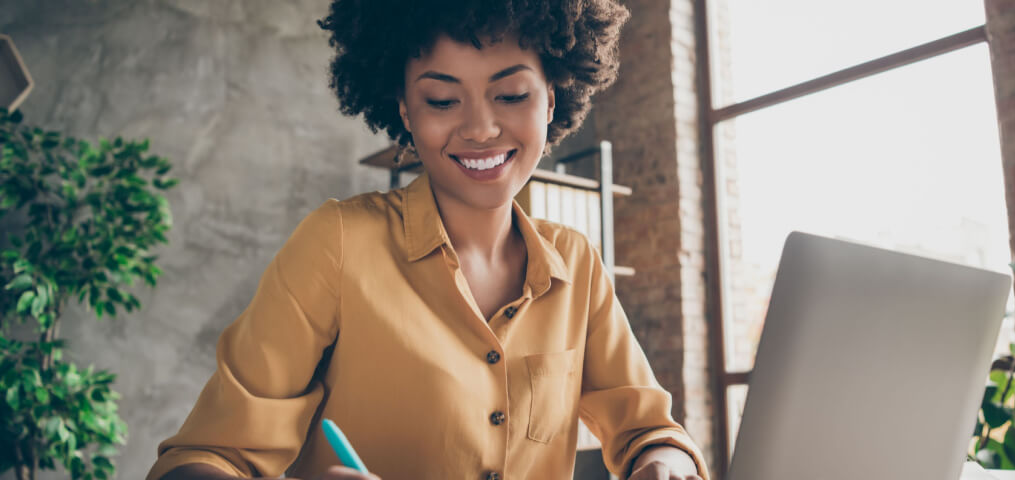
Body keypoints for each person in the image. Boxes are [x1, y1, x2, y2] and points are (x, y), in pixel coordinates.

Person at [146, 1, 709, 479]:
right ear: (405, 111)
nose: (480, 128)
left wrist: (661, 459)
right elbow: (210, 454)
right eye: (442, 101)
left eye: (511, 94)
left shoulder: (576, 263)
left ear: (553, 100)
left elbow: (648, 428)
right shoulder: (338, 243)